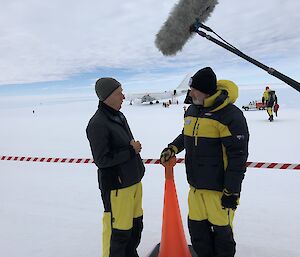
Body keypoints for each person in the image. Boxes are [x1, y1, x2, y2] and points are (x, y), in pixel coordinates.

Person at [160, 67, 249, 257]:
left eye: (194, 90)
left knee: (222, 238)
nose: (190, 93)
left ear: (206, 90)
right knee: (198, 234)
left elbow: (237, 158)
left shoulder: (230, 115)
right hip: (196, 187)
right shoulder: (192, 110)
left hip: (219, 191)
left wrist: (232, 191)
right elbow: (186, 134)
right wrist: (172, 148)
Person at [86, 77, 145, 257]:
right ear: (108, 96)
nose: (123, 96)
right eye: (119, 93)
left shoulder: (119, 116)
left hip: (133, 182)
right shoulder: (97, 124)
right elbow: (102, 160)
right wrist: (131, 150)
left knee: (135, 227)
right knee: (119, 232)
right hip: (117, 188)